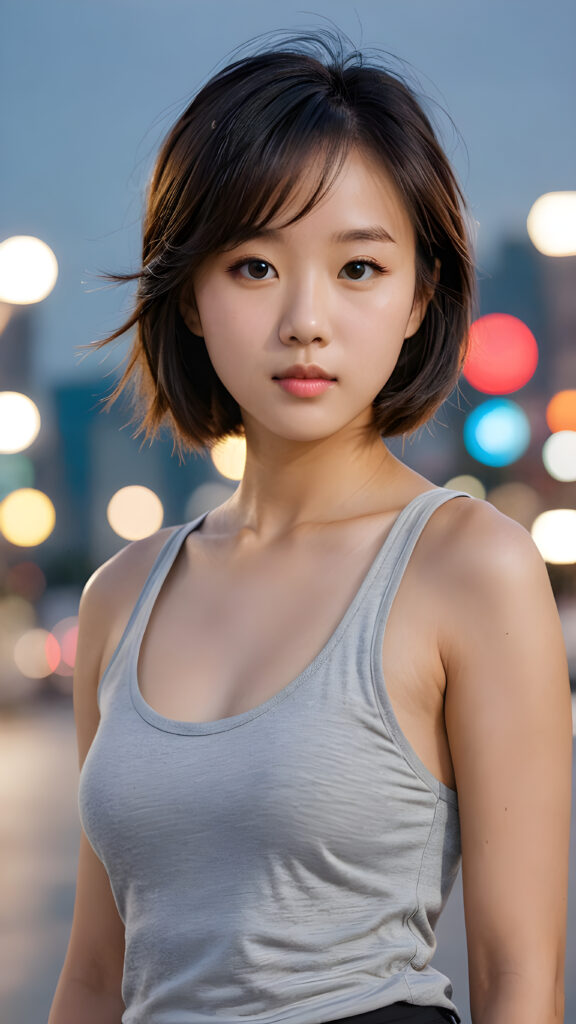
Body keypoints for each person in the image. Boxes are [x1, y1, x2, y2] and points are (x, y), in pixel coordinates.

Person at [48, 31, 572, 1024]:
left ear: (423, 294)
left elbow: (521, 984)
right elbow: (90, 977)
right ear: (191, 296)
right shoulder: (122, 593)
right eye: (252, 265)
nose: (305, 319)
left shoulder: (472, 568)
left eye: (359, 268)